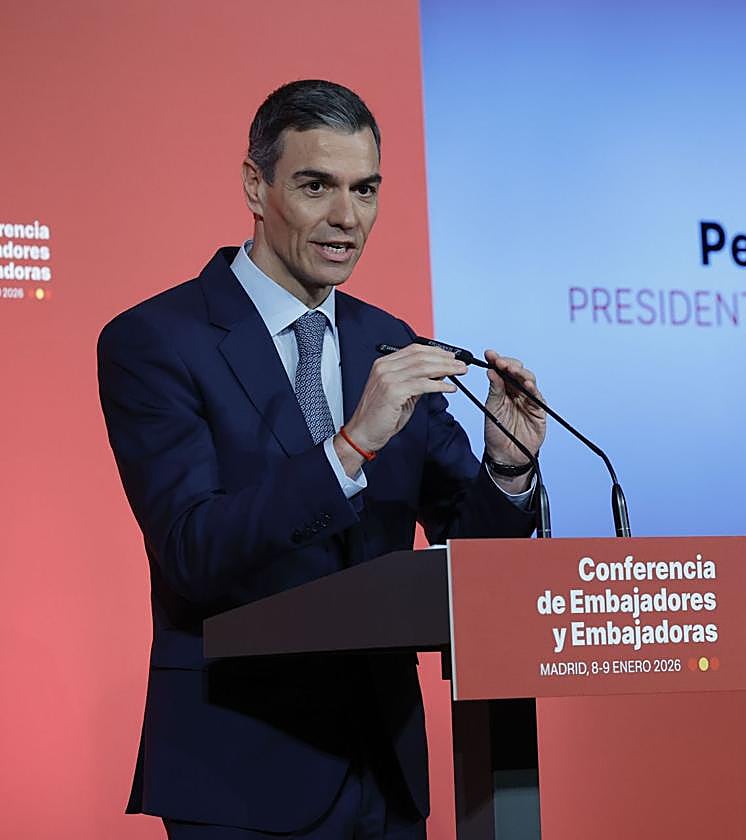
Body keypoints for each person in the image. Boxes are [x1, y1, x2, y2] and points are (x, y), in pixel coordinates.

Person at [97, 79, 546, 839]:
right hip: (239, 771)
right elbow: (191, 552)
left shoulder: (389, 339)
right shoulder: (157, 341)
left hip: (387, 770)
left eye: (365, 190)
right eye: (317, 186)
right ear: (255, 184)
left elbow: (473, 561)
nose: (347, 218)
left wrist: (508, 466)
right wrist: (348, 448)